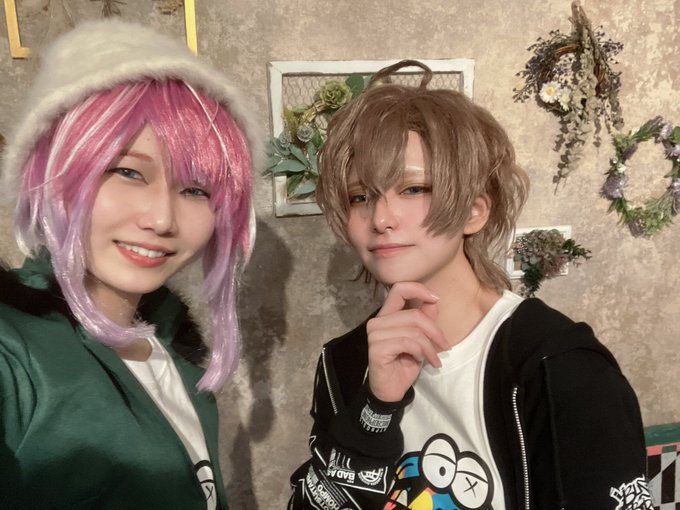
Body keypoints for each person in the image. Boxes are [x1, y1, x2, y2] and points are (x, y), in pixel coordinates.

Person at [288, 60, 652, 510]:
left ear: (474, 212)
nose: (381, 218)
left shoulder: (559, 367)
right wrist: (374, 411)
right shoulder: (342, 363)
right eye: (360, 196)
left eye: (413, 189)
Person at [0, 20, 259, 509]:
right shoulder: (12, 356)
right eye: (127, 171)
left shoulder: (177, 360)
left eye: (195, 189)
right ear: (54, 174)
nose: (162, 219)